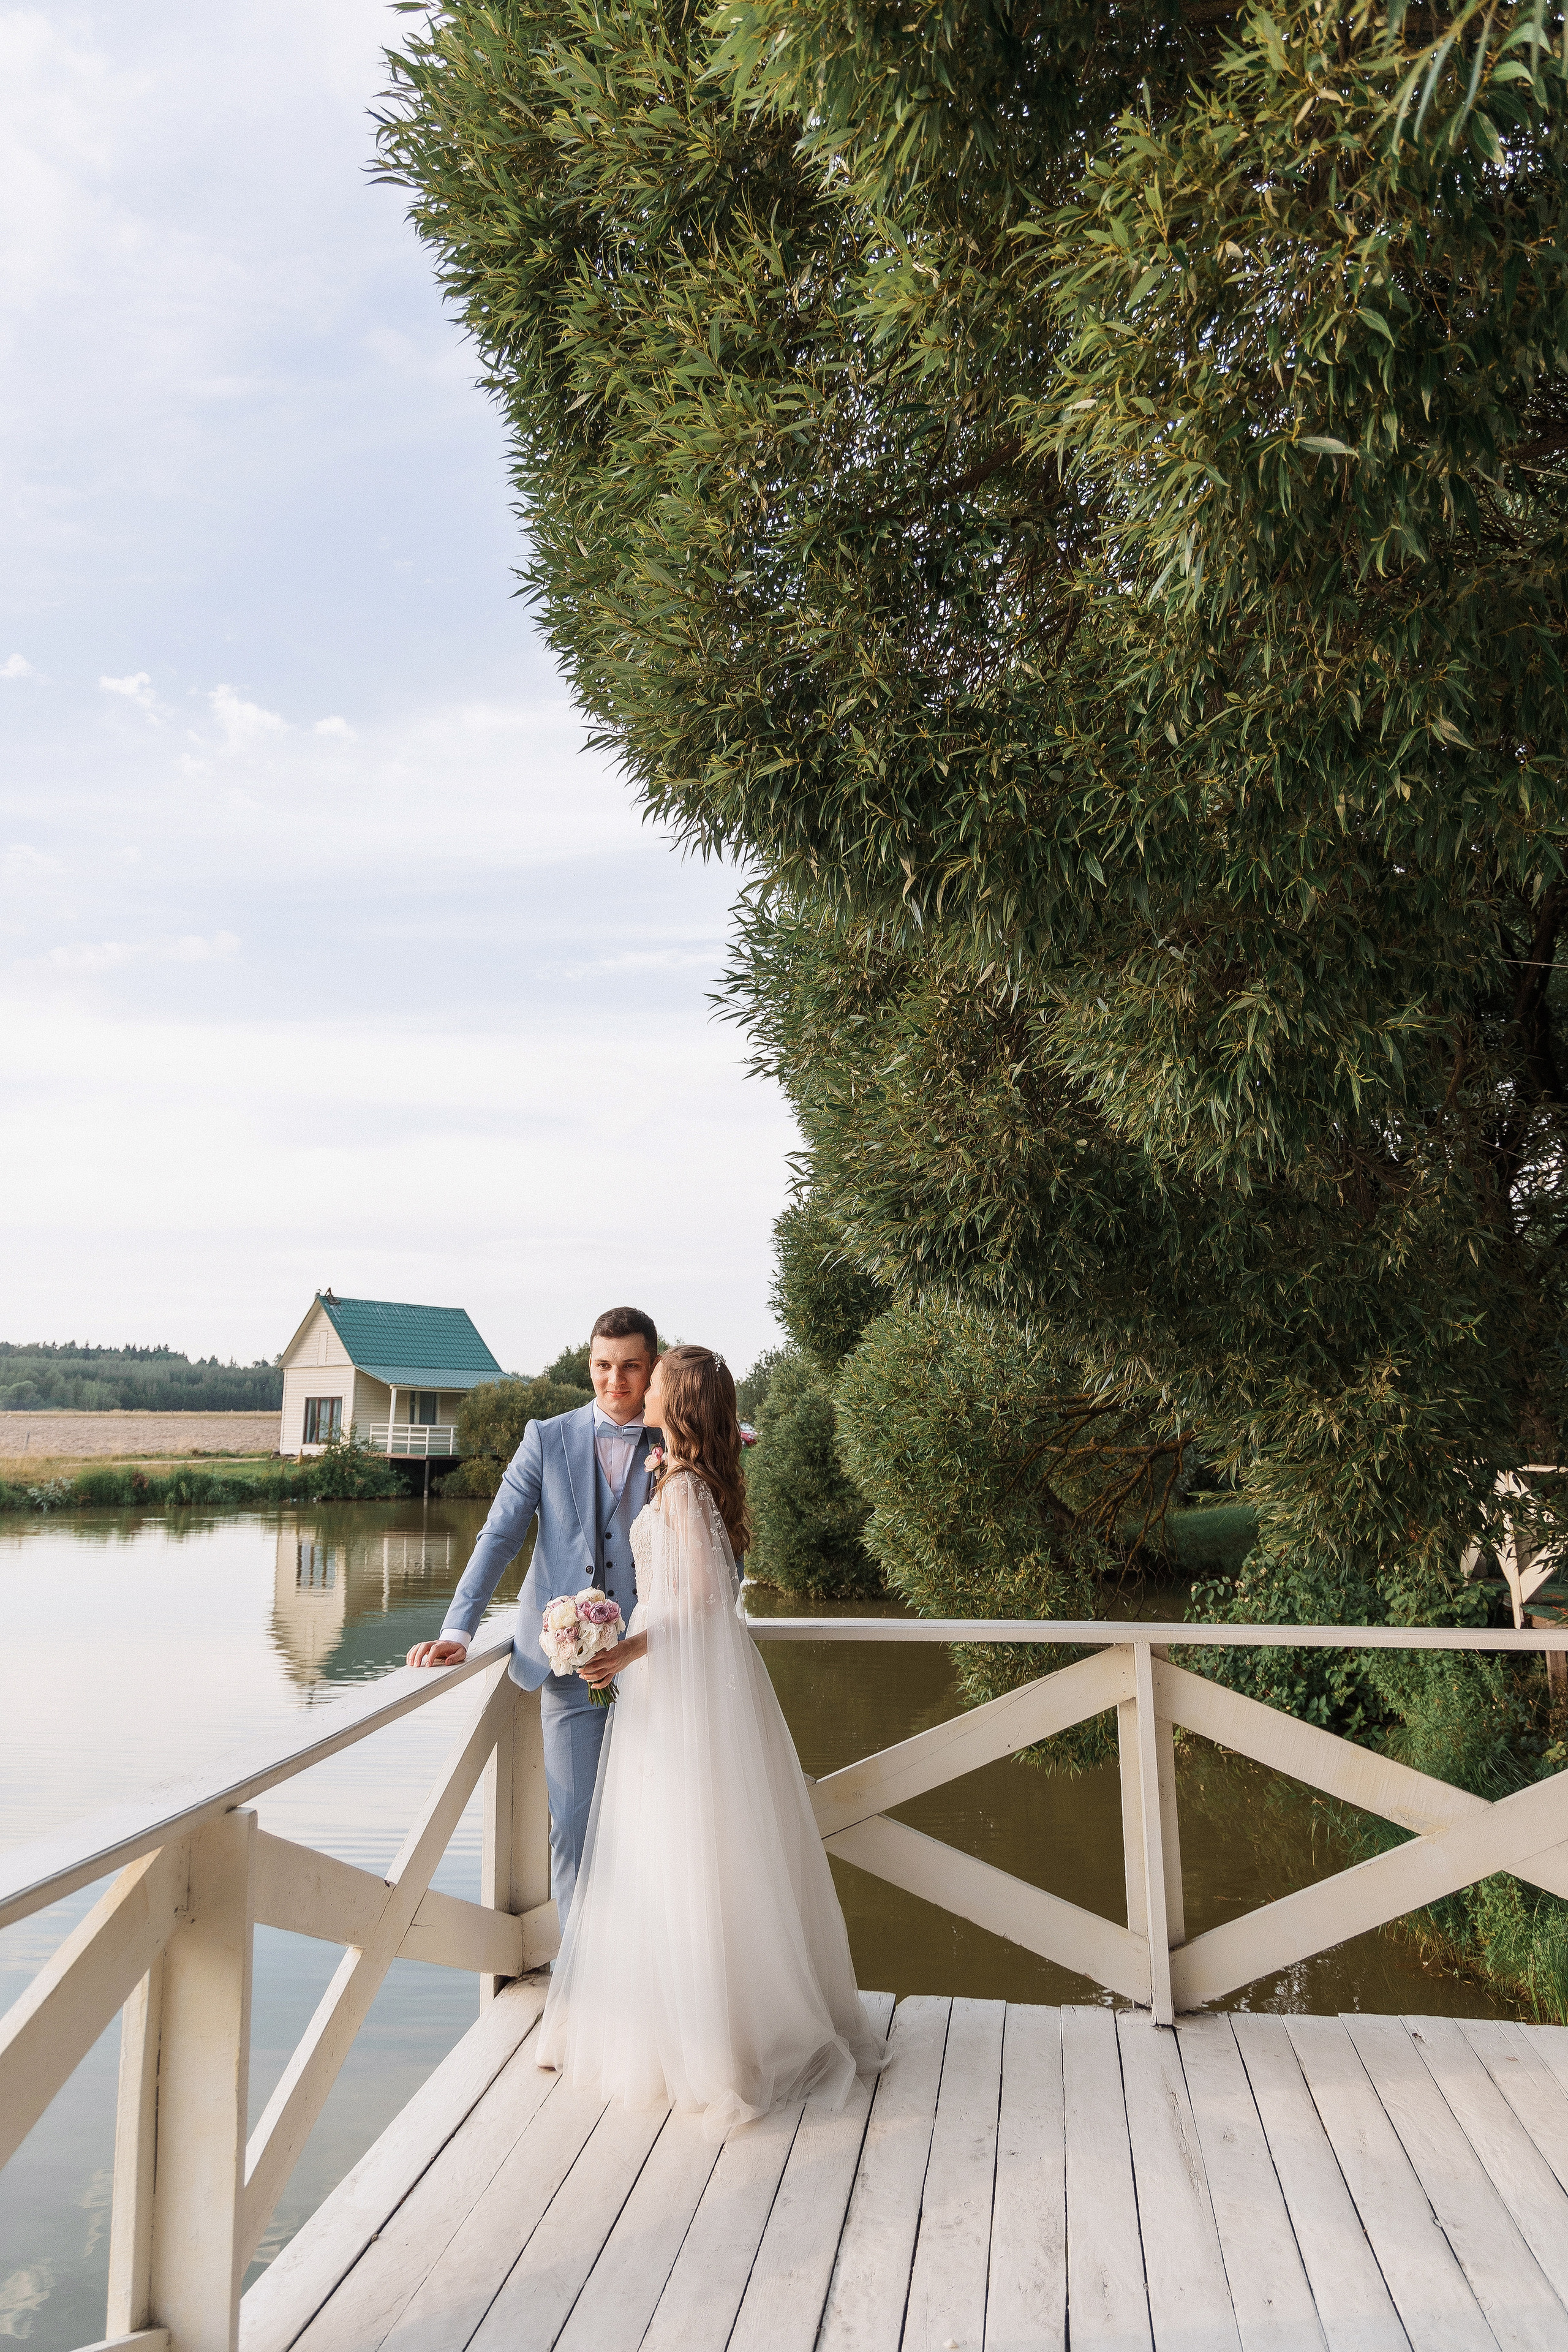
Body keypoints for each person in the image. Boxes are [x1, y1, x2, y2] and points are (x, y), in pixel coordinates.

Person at [535, 1343, 886, 2136]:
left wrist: (624, 1648)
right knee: (679, 1851)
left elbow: (699, 1600)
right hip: (679, 1686)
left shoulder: (685, 1487)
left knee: (685, 1848)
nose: (646, 1385)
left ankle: (711, 2043)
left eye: (657, 1378)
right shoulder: (684, 1478)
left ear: (679, 1399)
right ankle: (676, 2023)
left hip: (680, 1685)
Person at [405, 1306, 662, 1931]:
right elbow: (499, 1536)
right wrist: (458, 1630)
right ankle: (579, 1965)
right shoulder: (546, 1438)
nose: (615, 1380)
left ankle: (649, 1963)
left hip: (658, 1665)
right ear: (589, 1365)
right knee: (572, 1824)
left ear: (652, 1367)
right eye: (603, 1365)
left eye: (630, 1366)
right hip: (568, 1668)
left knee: (658, 1825)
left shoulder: (675, 1438)